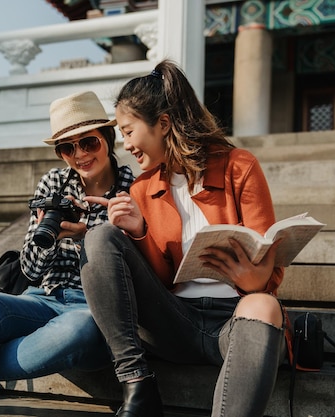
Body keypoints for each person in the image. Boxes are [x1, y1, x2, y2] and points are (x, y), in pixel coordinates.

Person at [80, 60, 290, 417]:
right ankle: (137, 383)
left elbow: (266, 270)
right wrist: (139, 232)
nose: (126, 144)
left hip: (236, 320)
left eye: (129, 132)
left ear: (162, 124)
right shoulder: (143, 188)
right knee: (100, 237)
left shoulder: (239, 167)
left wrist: (254, 281)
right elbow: (159, 281)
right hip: (175, 321)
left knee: (265, 305)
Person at [0, 91, 135, 417]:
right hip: (41, 298)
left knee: (77, 327)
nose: (80, 154)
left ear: (107, 138)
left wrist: (87, 231)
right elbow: (29, 270)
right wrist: (50, 239)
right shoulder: (54, 183)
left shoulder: (134, 185)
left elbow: (137, 261)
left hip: (94, 310)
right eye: (67, 147)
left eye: (88, 142)